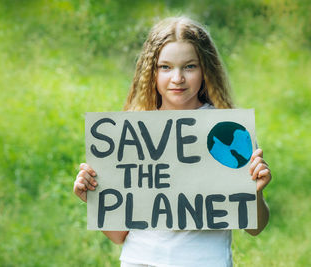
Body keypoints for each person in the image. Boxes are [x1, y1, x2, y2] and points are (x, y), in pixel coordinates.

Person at [73, 16, 272, 267]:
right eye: (165, 67)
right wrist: (95, 197)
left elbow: (255, 228)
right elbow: (117, 235)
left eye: (189, 66)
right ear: (151, 71)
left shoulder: (229, 131)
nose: (177, 78)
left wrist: (255, 192)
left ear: (205, 70)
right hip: (140, 261)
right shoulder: (132, 133)